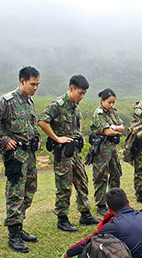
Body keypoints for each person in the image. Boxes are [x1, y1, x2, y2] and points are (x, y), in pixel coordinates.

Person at [0, 66, 41, 253]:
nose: (35, 87)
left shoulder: (29, 102)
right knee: (15, 192)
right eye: (32, 84)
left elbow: (31, 125)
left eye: (38, 84)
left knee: (30, 189)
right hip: (16, 156)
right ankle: (13, 234)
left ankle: (20, 225)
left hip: (29, 154)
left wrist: (36, 138)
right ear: (22, 81)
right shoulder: (7, 101)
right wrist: (4, 139)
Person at [38, 75, 99, 232]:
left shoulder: (74, 106)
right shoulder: (58, 105)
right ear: (71, 88)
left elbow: (73, 126)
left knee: (82, 181)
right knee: (64, 185)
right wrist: (56, 138)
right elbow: (42, 121)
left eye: (85, 93)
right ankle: (62, 219)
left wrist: (79, 136)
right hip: (62, 153)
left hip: (74, 151)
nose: (82, 96)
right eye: (80, 92)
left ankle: (85, 214)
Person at [90, 88, 124, 216]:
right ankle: (101, 204)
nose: (111, 105)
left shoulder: (113, 112)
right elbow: (107, 132)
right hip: (102, 148)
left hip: (113, 147)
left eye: (113, 102)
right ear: (102, 101)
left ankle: (115, 201)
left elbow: (122, 126)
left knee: (116, 173)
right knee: (101, 175)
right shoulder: (98, 114)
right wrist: (115, 130)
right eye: (109, 102)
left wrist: (114, 128)